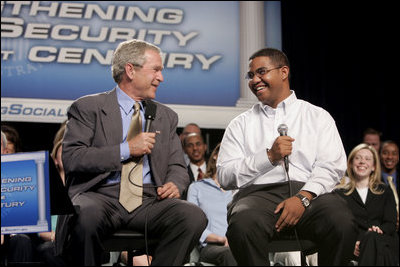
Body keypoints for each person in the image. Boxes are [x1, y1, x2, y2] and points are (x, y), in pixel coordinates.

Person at [55, 39, 207, 266]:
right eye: (155, 70)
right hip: (100, 196)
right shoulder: (88, 108)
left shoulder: (165, 116)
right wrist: (126, 150)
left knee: (193, 216)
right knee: (83, 216)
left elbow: (177, 166)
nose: (161, 77)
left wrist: (175, 183)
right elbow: (73, 158)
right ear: (130, 70)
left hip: (149, 201)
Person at [216, 47, 357, 266]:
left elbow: (331, 166)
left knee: (342, 222)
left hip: (312, 196)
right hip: (257, 198)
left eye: (261, 72)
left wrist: (303, 197)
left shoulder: (317, 116)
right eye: (251, 75)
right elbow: (225, 175)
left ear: (283, 72)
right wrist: (269, 157)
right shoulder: (240, 124)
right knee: (242, 224)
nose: (255, 80)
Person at [335, 143, 398, 266]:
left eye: (367, 159)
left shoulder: (384, 191)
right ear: (351, 164)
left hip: (384, 240)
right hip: (355, 245)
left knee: (372, 238)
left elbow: (391, 224)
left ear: (374, 166)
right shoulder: (340, 194)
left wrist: (379, 230)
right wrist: (352, 244)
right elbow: (340, 227)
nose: (362, 162)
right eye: (358, 158)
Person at [187, 143, 237, 266]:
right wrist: (219, 238)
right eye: (226, 153)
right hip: (212, 246)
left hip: (239, 243)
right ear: (215, 156)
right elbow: (192, 224)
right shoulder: (197, 187)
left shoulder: (239, 189)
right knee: (230, 254)